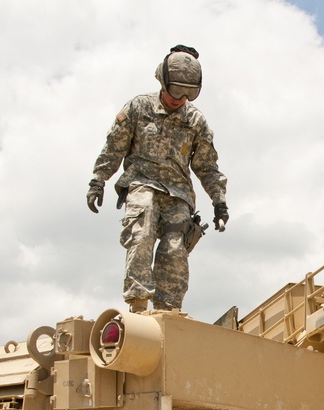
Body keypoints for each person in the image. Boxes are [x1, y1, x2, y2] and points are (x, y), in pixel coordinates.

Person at [86, 44, 229, 313]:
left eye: (188, 93)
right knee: (143, 229)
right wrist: (99, 180)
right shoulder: (139, 108)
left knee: (176, 249)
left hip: (178, 194)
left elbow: (207, 167)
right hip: (142, 181)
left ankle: (168, 312)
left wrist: (219, 202)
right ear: (162, 81)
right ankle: (139, 304)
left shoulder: (195, 121)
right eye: (176, 90)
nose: (180, 98)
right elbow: (114, 147)